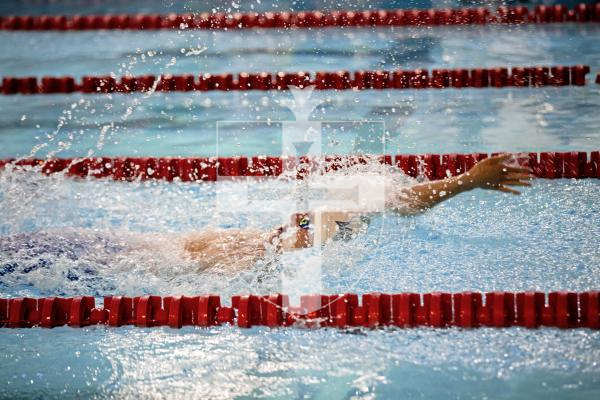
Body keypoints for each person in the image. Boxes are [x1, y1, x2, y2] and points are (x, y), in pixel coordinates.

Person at [183, 154, 533, 269]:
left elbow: (405, 202)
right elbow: (409, 202)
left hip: (245, 247)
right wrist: (466, 181)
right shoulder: (344, 214)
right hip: (245, 253)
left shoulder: (339, 215)